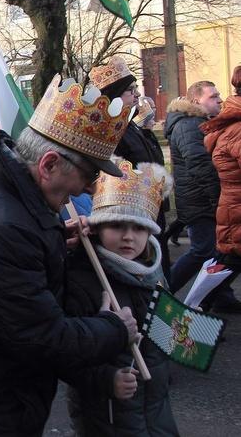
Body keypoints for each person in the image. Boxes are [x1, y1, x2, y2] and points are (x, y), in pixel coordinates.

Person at [0, 74, 139, 435]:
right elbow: (41, 338)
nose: (90, 187)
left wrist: (55, 237)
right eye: (88, 174)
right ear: (49, 164)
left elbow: (14, 259)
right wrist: (113, 328)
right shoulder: (2, 230)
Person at [65, 159, 178, 436]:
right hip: (109, 413)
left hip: (155, 404)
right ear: (96, 227)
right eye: (117, 226)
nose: (129, 237)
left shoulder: (153, 274)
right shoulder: (84, 279)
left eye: (138, 229)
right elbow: (66, 353)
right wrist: (107, 378)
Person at [164, 83, 241, 310]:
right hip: (200, 200)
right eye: (213, 96)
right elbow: (200, 165)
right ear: (197, 101)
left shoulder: (198, 123)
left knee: (219, 251)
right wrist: (219, 197)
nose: (220, 100)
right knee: (203, 251)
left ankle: (220, 298)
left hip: (201, 198)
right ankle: (160, 295)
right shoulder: (189, 125)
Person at [92, 58, 171, 277]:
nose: (137, 95)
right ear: (114, 96)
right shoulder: (110, 132)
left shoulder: (132, 127)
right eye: (130, 90)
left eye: (136, 89)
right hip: (130, 220)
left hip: (148, 216)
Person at [200, 65, 241, 312]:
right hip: (236, 209)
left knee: (229, 264)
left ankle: (197, 310)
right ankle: (193, 316)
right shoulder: (237, 129)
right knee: (228, 263)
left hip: (233, 207)